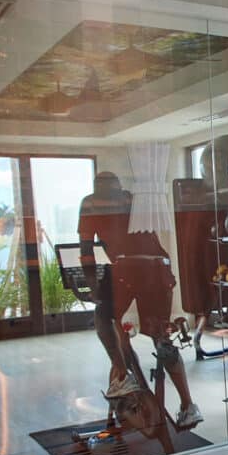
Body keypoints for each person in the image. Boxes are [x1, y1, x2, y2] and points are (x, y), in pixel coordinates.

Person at [78, 171, 202, 429]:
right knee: (161, 337)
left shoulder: (90, 203)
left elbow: (86, 250)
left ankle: (123, 374)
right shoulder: (132, 199)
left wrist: (92, 287)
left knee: (104, 319)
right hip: (157, 267)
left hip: (126, 268)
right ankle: (188, 405)